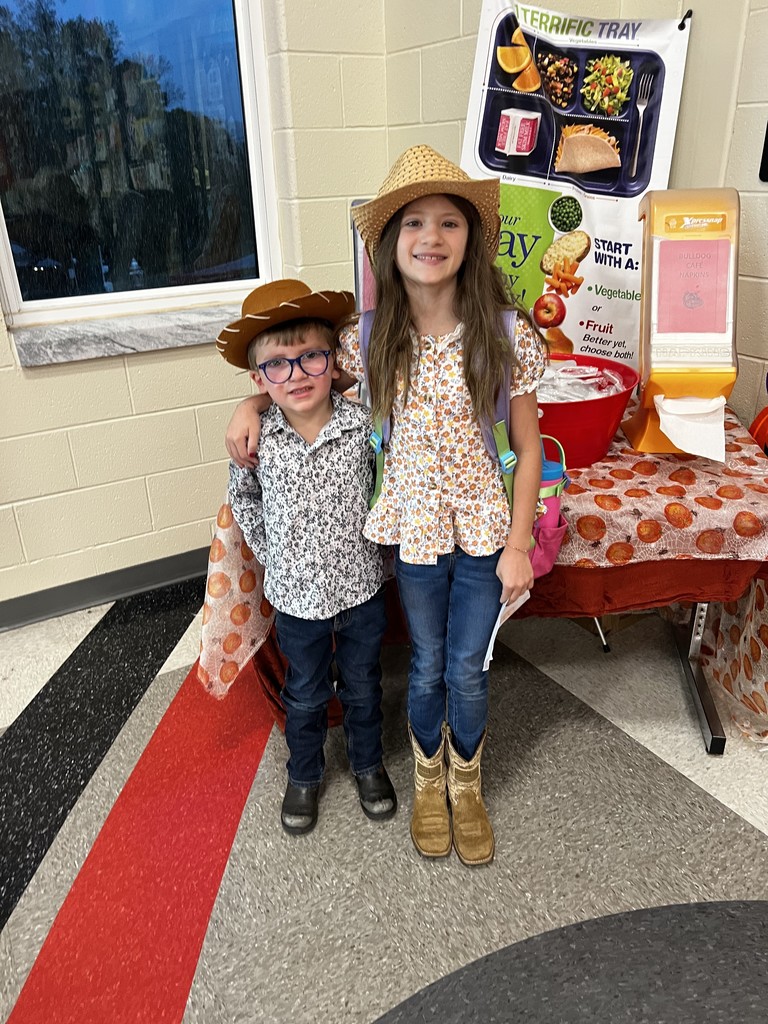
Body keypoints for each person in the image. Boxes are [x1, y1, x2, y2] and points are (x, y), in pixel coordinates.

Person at [225, 147, 544, 866]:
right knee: (427, 662)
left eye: (449, 223)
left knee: (468, 666)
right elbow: (293, 376)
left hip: (487, 529)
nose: (431, 239)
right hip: (414, 533)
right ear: (392, 246)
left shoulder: (505, 331)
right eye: (415, 225)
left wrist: (520, 542)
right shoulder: (366, 340)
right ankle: (429, 782)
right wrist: (250, 400)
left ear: (471, 239)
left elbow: (529, 446)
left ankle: (467, 783)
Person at [216, 279, 397, 837]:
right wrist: (275, 553)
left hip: (362, 585)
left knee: (365, 682)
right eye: (277, 365)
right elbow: (243, 497)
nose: (295, 374)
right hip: (297, 597)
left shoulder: (363, 423)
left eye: (310, 358)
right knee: (307, 689)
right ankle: (304, 773)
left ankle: (367, 764)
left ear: (332, 362)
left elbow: (387, 483)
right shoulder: (258, 438)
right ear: (258, 378)